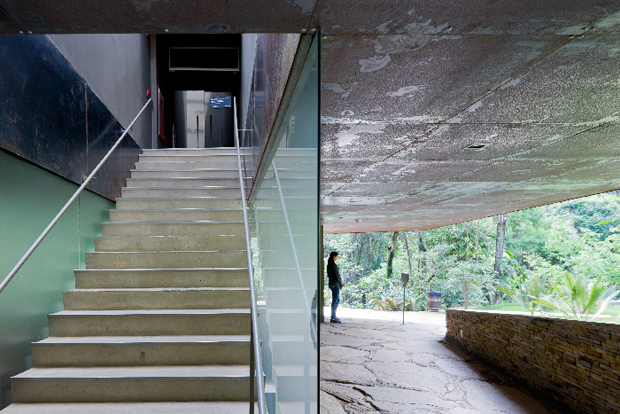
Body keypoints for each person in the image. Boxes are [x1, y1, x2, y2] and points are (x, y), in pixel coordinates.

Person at [327, 251, 344, 323]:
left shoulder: (329, 265)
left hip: (331, 283)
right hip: (335, 284)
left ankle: (333, 316)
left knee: (337, 300)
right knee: (335, 301)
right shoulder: (334, 266)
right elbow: (338, 276)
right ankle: (333, 317)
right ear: (334, 257)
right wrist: (341, 283)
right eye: (336, 256)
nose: (337, 258)